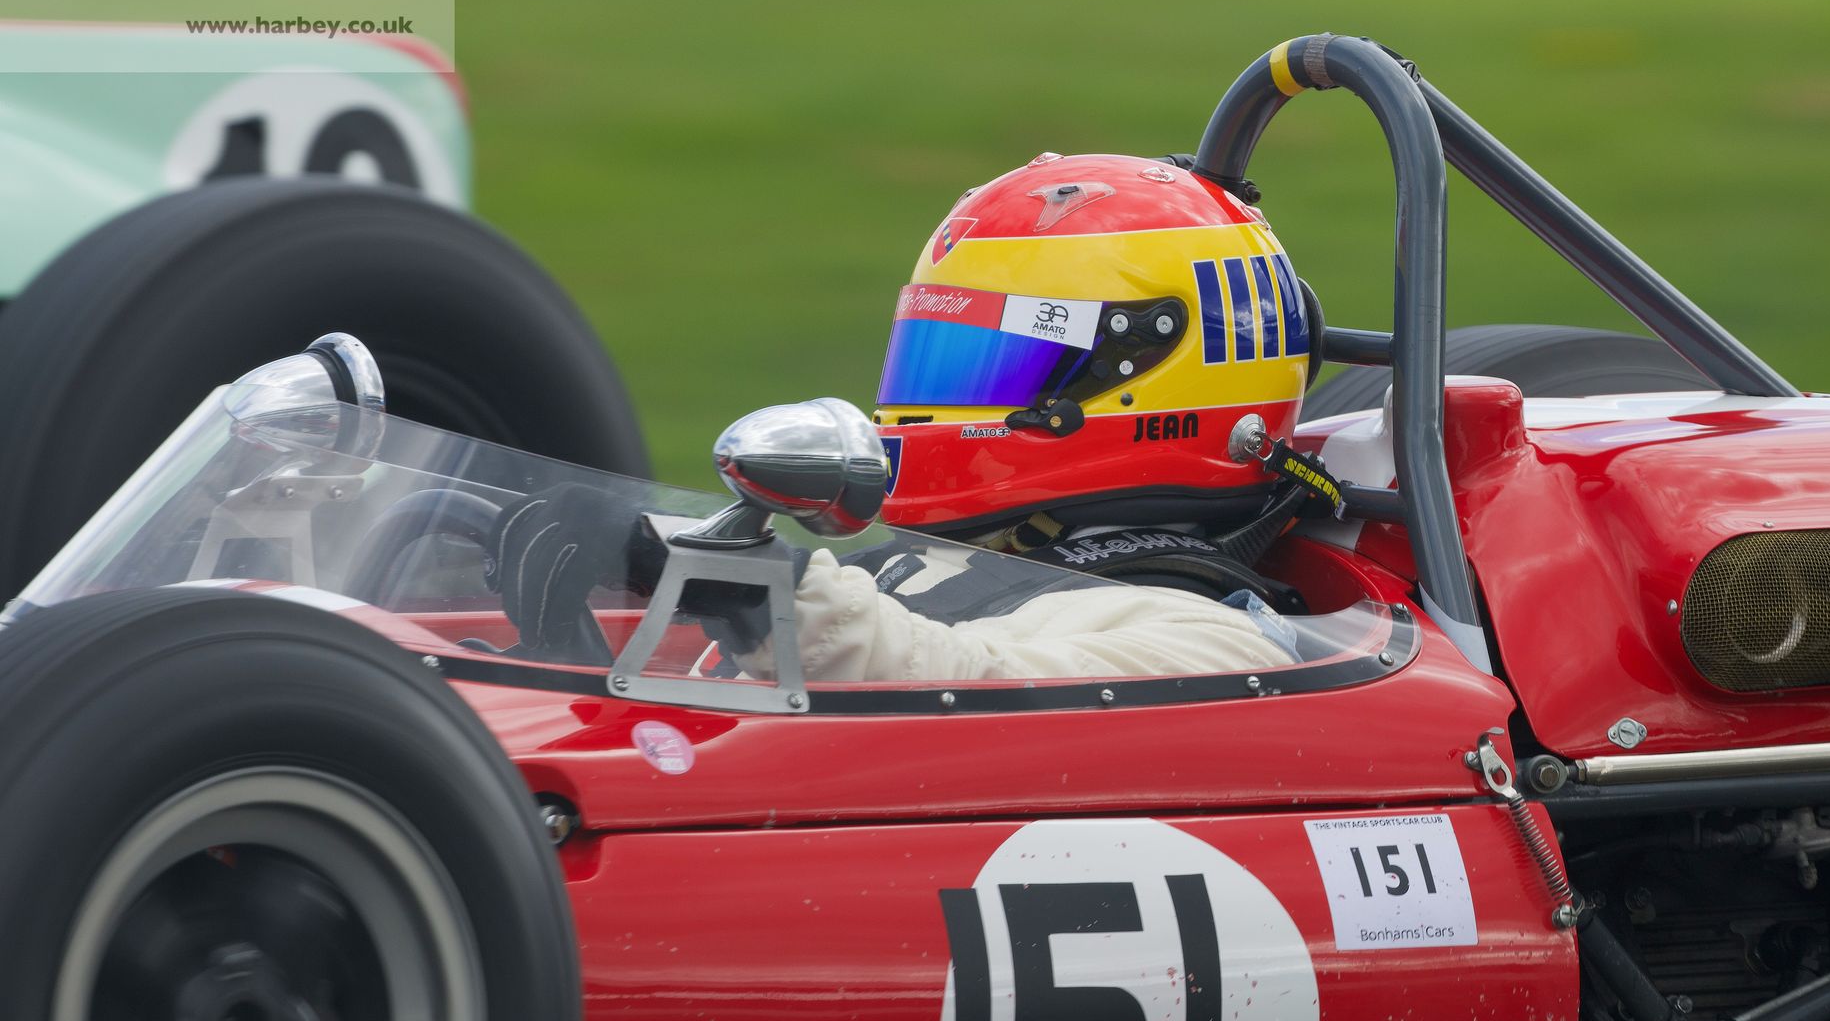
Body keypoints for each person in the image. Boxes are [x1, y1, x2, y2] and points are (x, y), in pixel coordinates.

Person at [493, 152, 1337, 683]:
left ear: (1148, 374)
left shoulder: (1207, 641)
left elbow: (969, 686)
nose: (937, 404)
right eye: (936, 356)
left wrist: (761, 589)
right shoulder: (949, 565)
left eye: (990, 365)